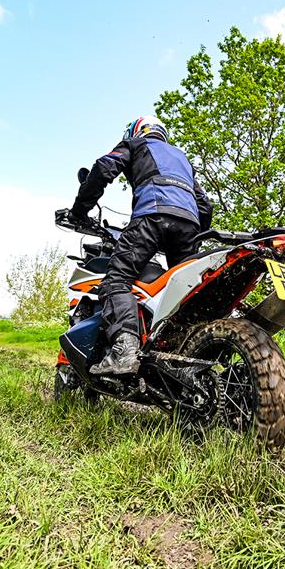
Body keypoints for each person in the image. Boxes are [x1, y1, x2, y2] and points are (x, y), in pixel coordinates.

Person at [66, 116, 212, 375]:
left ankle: (125, 349)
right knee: (186, 294)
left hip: (152, 216)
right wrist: (191, 231)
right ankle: (184, 353)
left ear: (138, 130)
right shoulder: (182, 159)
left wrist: (79, 211)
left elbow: (103, 168)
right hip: (189, 226)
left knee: (116, 280)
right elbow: (204, 205)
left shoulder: (135, 144)